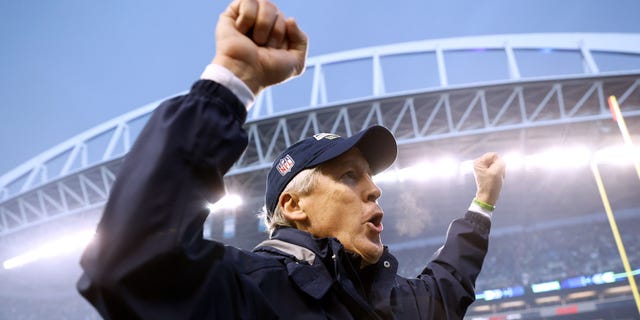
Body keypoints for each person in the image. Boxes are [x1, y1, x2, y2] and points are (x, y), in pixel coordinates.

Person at [77, 0, 506, 319]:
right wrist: (233, 81)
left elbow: (449, 284)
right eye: (349, 176)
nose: (375, 189)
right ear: (294, 206)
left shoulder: (393, 300)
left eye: (370, 177)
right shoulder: (249, 291)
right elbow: (132, 262)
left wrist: (482, 204)